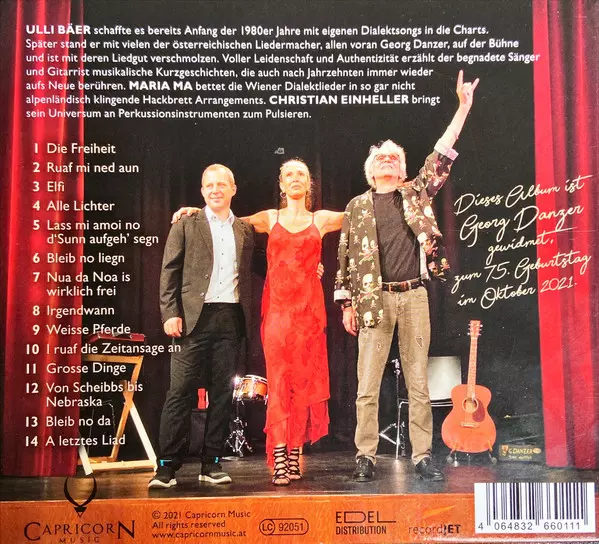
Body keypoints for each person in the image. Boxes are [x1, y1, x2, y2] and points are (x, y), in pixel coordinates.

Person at [335, 70, 479, 482]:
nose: (388, 160)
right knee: (367, 383)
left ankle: (422, 455)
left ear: (402, 170)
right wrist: (346, 304)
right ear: (370, 169)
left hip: (414, 296)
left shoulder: (415, 193)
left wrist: (463, 108)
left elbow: (442, 153)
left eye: (394, 157)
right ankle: (365, 455)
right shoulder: (357, 206)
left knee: (418, 381)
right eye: (381, 157)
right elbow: (344, 257)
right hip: (372, 301)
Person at [173, 159, 343, 485]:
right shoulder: (270, 218)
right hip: (278, 313)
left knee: (302, 383)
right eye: (289, 174)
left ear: (309, 183)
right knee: (279, 382)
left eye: (301, 174)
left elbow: (363, 213)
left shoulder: (320, 219)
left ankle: (294, 452)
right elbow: (225, 218)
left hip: (309, 316)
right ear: (281, 184)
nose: (295, 178)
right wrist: (195, 212)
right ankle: (279, 454)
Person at [149, 164, 255, 488]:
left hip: (230, 318)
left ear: (233, 189)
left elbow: (267, 264)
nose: (215, 190)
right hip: (193, 318)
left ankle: (212, 463)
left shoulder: (245, 230)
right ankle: (166, 467)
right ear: (202, 191)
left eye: (221, 184)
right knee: (180, 392)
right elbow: (169, 270)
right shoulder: (186, 223)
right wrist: (170, 313)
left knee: (221, 393)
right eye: (209, 185)